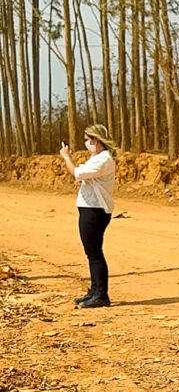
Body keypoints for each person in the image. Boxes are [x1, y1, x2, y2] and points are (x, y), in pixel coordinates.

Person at [59, 124, 119, 309]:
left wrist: (66, 157)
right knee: (91, 251)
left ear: (96, 139)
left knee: (94, 252)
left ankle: (101, 294)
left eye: (87, 139)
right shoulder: (97, 157)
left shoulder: (104, 159)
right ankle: (94, 290)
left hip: (96, 209)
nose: (86, 143)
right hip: (89, 207)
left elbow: (77, 173)